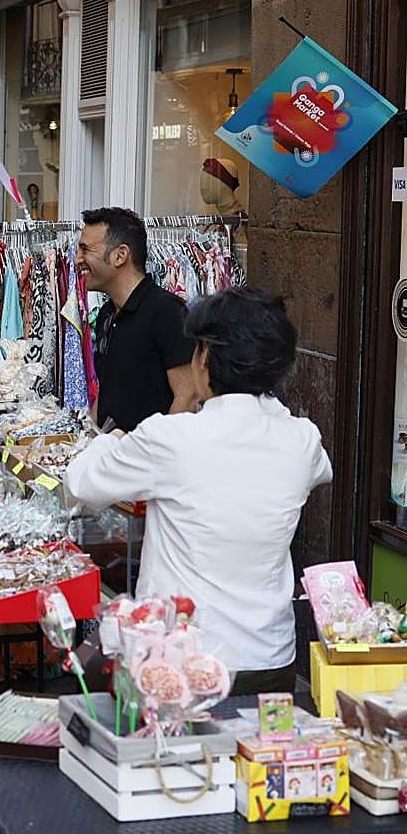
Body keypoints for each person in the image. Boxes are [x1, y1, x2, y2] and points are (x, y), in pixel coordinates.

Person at [65, 287, 333, 695]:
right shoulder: (302, 440)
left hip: (182, 664)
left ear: (205, 358)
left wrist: (109, 441)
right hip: (270, 660)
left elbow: (81, 483)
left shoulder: (170, 439)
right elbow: (320, 471)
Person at [77, 207, 197, 431]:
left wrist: (156, 448)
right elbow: (109, 390)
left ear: (120, 255)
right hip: (111, 449)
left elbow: (188, 397)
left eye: (85, 250)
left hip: (149, 452)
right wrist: (90, 437)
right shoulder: (106, 314)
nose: (77, 259)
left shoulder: (167, 312)